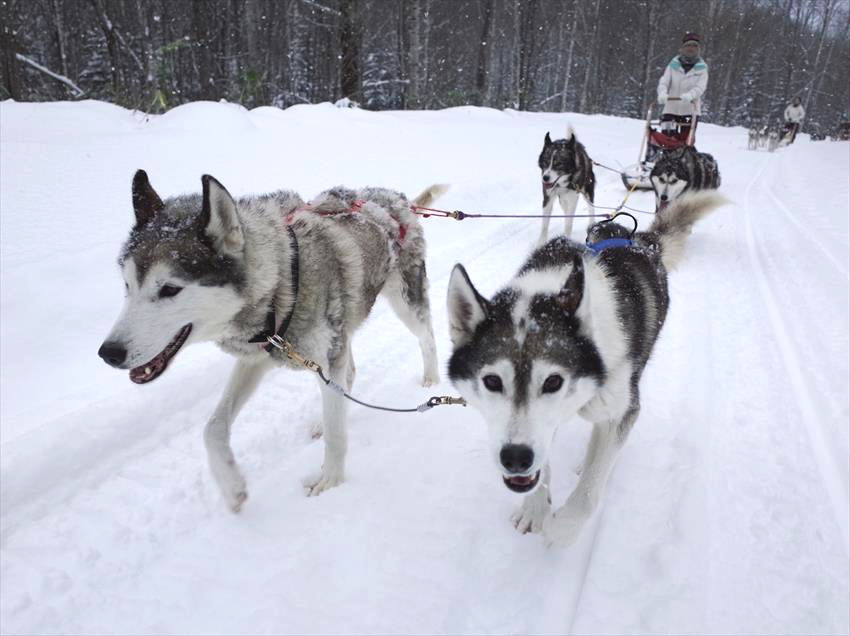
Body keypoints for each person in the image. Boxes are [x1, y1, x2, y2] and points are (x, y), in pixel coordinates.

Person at [657, 32, 709, 145]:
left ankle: (685, 161)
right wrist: (662, 93)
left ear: (698, 49)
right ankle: (666, 160)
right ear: (682, 48)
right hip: (671, 109)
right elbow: (664, 81)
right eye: (688, 45)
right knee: (667, 141)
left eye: (694, 46)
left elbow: (700, 87)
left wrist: (691, 95)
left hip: (690, 110)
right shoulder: (673, 65)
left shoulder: (702, 68)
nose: (691, 48)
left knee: (686, 143)